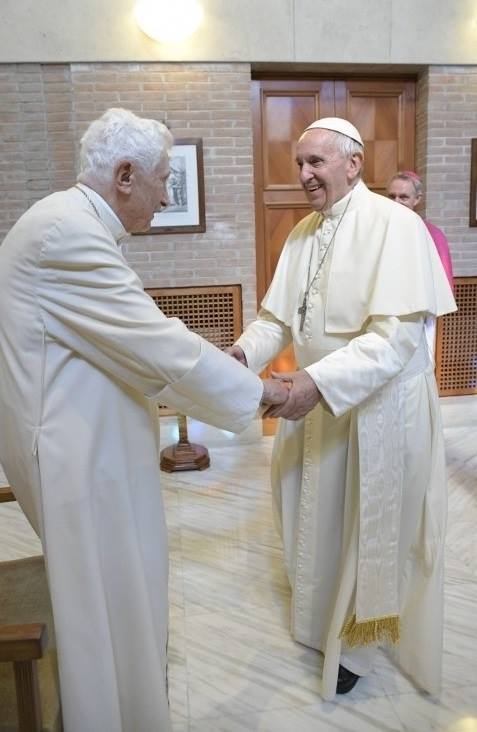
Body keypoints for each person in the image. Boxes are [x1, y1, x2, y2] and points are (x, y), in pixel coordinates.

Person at [0, 108, 289, 732]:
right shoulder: (66, 233)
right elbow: (156, 345)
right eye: (163, 180)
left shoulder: (68, 221)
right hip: (78, 462)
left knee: (120, 596)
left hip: (88, 448)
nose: (165, 195)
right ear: (125, 175)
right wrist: (262, 393)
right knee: (105, 607)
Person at [227, 117, 456, 700]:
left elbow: (395, 341)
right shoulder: (303, 232)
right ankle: (317, 624)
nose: (303, 174)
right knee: (311, 513)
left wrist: (314, 383)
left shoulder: (396, 227)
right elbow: (277, 319)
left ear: (353, 164)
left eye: (316, 162)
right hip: (313, 403)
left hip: (376, 409)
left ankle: (356, 645)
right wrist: (242, 354)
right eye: (299, 163)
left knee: (365, 531)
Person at [387, 170, 454, 357]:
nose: (396, 202)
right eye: (391, 196)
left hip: (418, 313)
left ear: (417, 199)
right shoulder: (377, 229)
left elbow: (442, 281)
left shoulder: (433, 234)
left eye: (403, 197)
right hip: (384, 309)